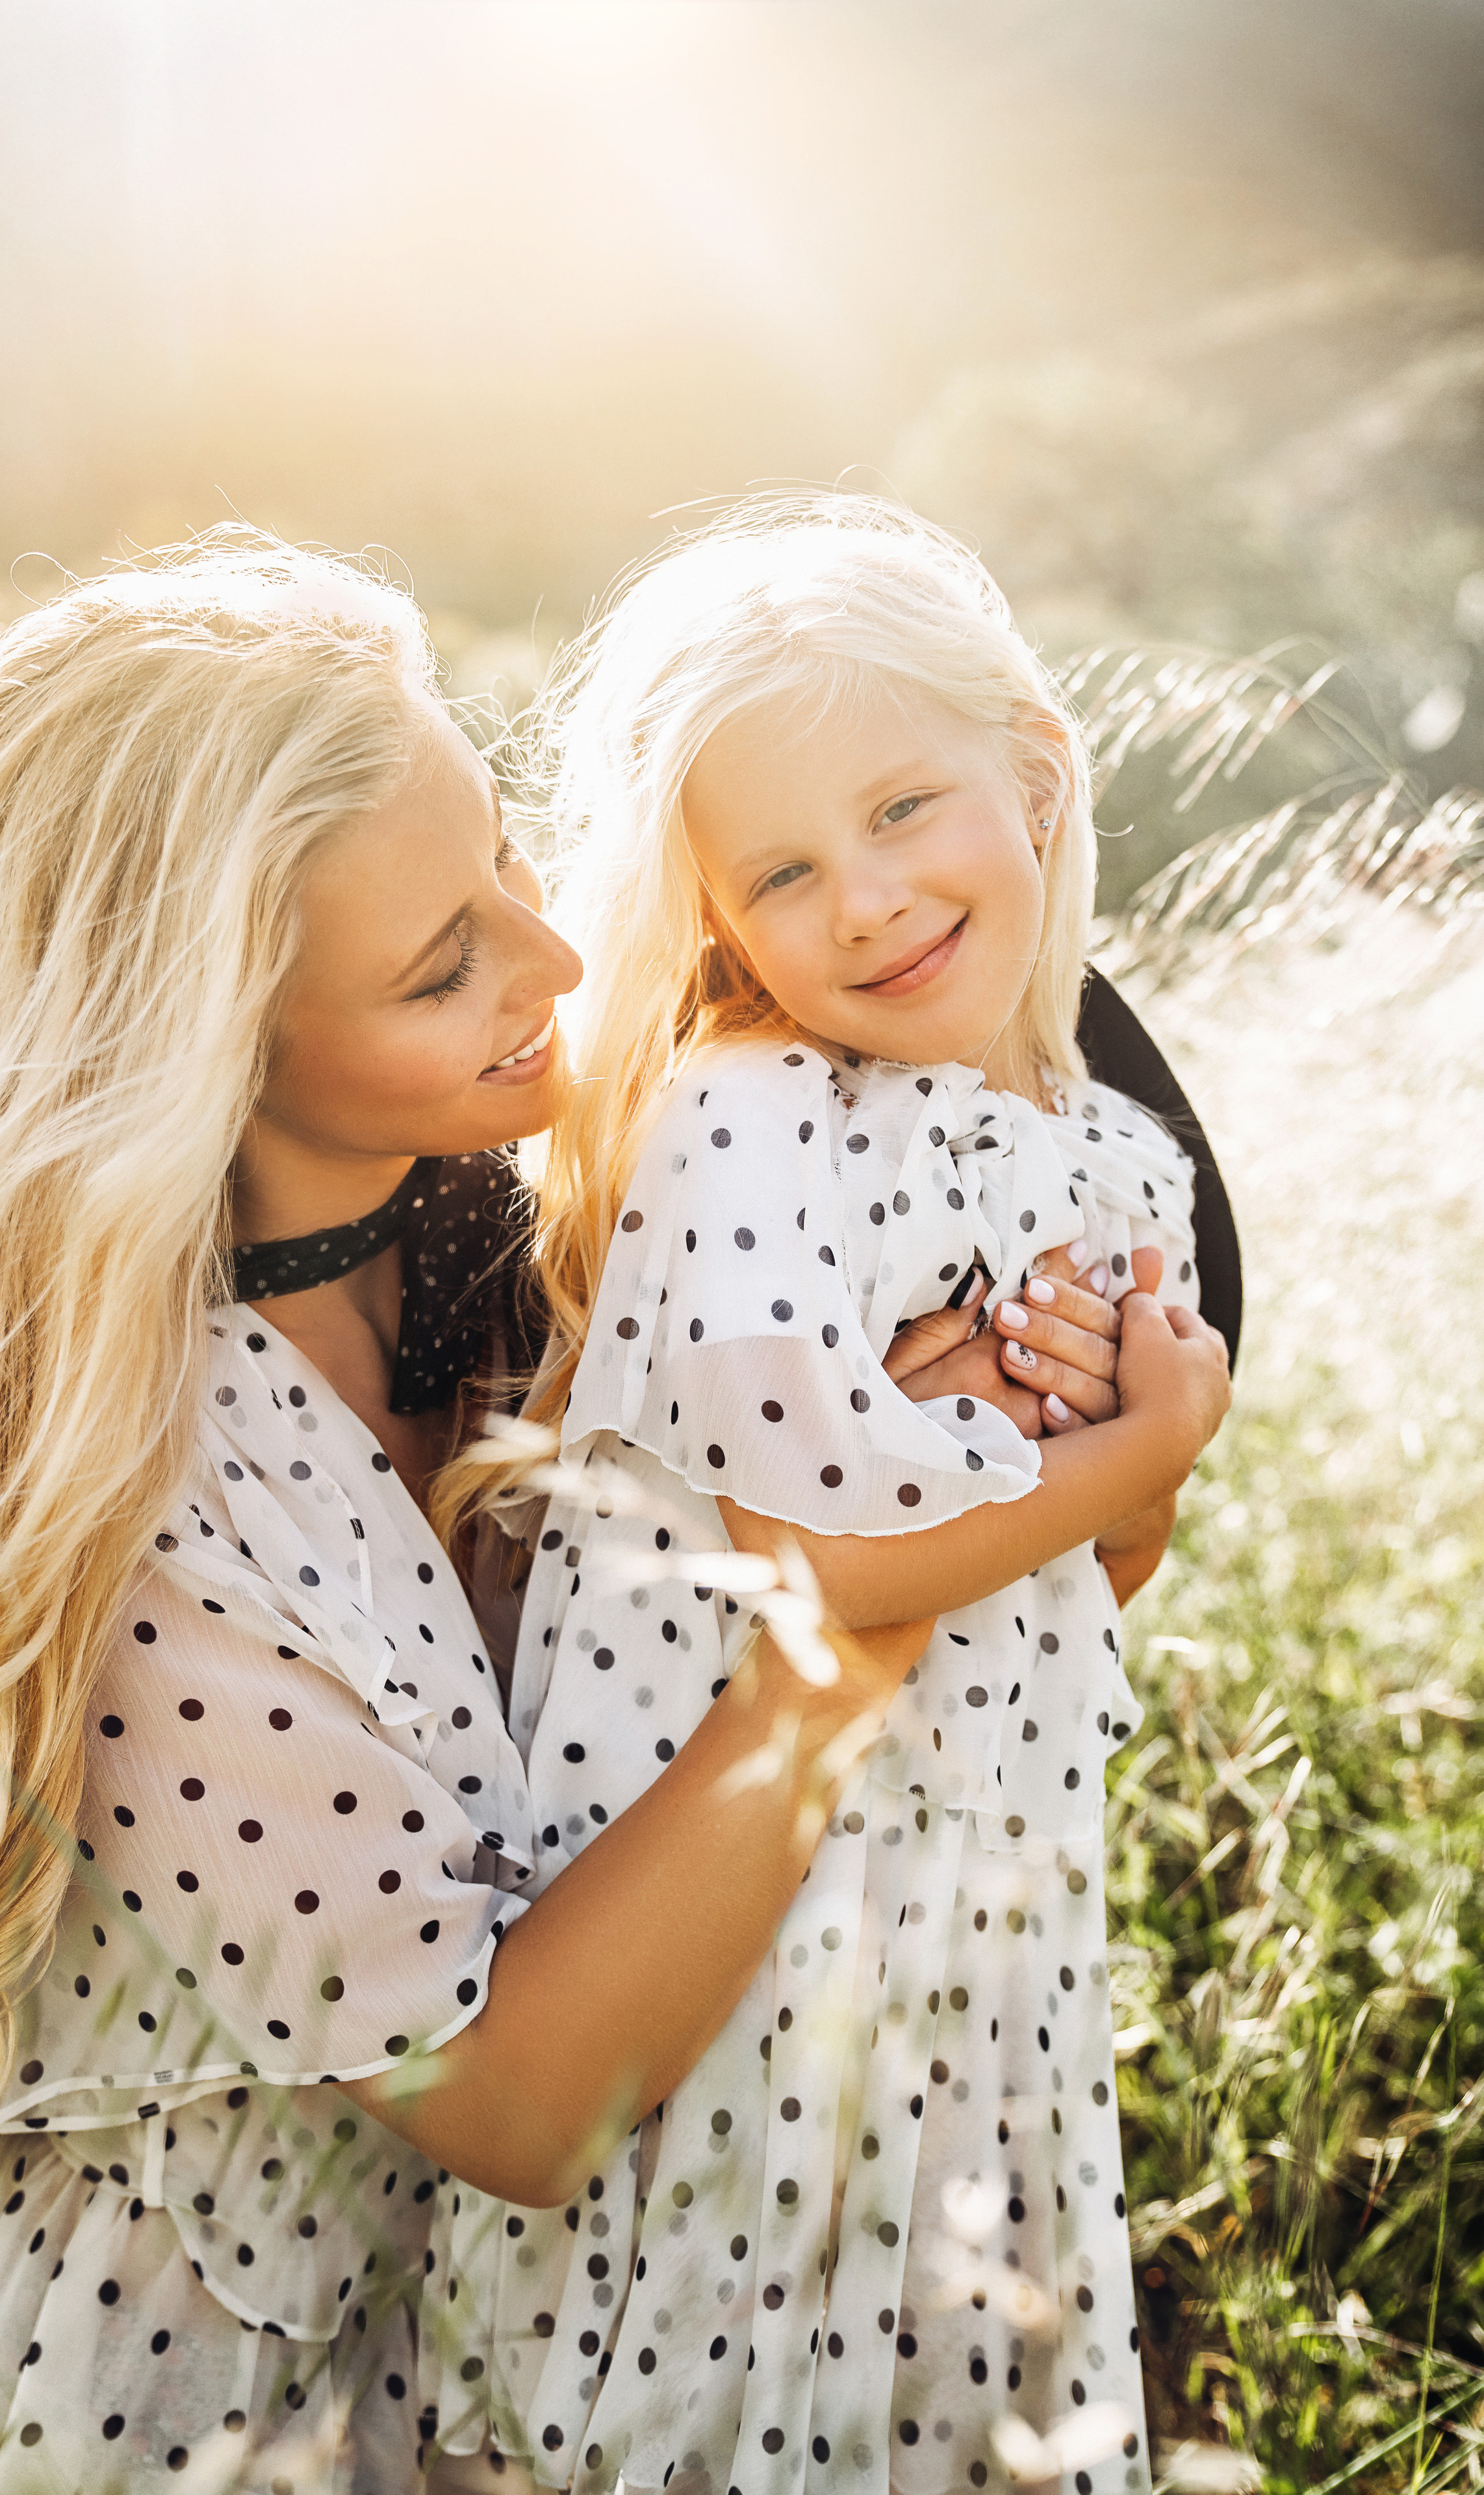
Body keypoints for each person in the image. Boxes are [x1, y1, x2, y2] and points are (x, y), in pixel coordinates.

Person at [433, 496, 1232, 2495]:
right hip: (740, 1923)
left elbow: (1093, 1579)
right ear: (715, 923)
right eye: (785, 870)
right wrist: (1141, 1446)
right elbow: (816, 1563)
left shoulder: (1120, 1151)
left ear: (1036, 779)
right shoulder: (744, 1118)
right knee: (736, 2393)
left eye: (902, 811)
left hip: (985, 1919)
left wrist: (1118, 1492)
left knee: (954, 2392)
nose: (865, 902)